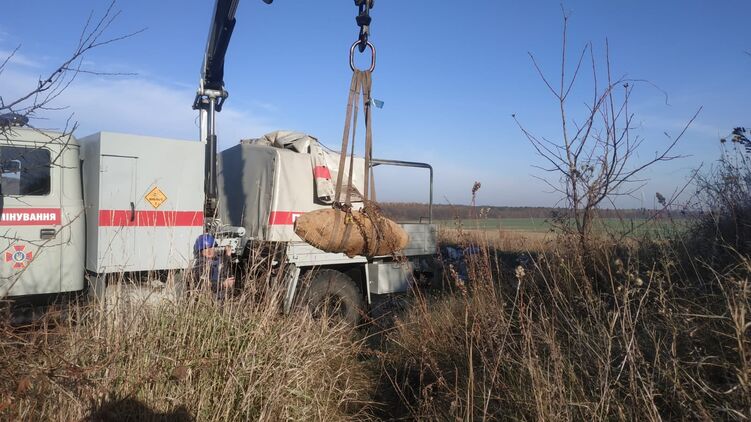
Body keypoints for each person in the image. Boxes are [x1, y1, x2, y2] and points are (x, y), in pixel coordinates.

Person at [192, 233, 235, 300]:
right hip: (208, 301)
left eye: (211, 247)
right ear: (200, 251)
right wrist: (223, 284)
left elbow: (224, 272)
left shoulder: (216, 260)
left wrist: (227, 256)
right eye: (205, 249)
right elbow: (204, 286)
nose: (209, 251)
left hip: (221, 299)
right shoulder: (200, 265)